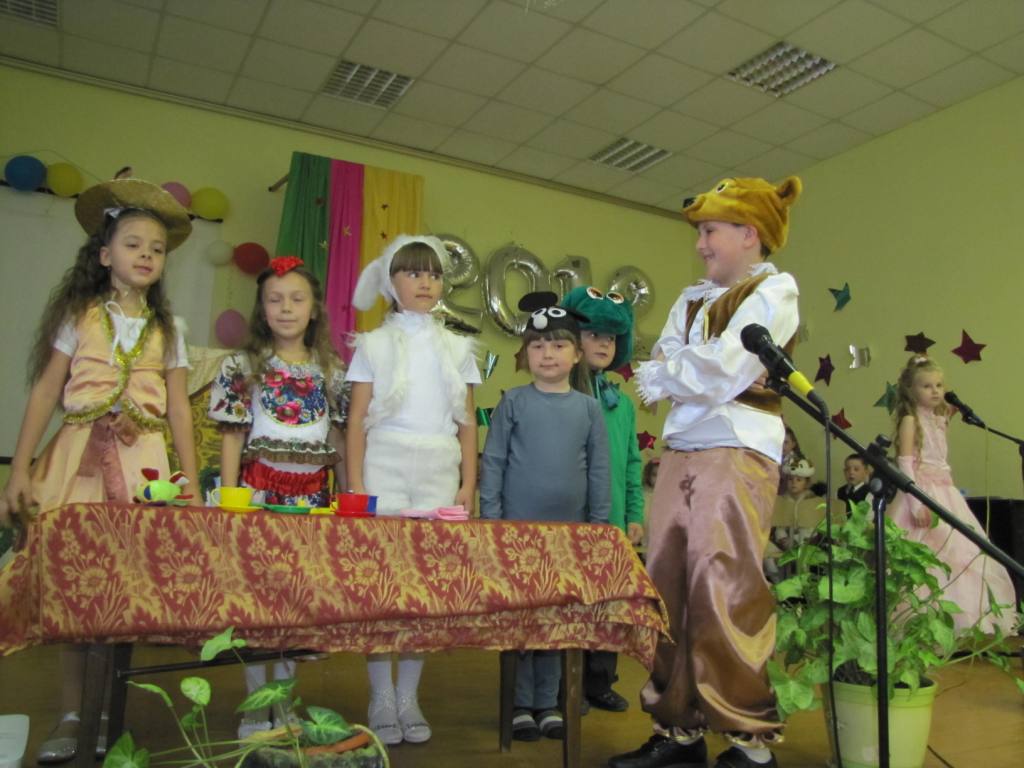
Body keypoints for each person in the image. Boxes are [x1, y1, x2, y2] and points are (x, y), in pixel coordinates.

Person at [0, 178, 199, 763]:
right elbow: (45, 392)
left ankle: (109, 707)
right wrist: (19, 470)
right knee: (76, 588)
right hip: (78, 462)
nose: (146, 255)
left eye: (157, 249)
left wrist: (189, 483)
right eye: (133, 244)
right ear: (105, 254)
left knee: (126, 587)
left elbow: (179, 409)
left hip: (145, 470)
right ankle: (71, 711)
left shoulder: (170, 330)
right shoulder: (79, 315)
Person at [610, 176, 802, 768]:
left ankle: (748, 741)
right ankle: (678, 729)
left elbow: (723, 367)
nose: (700, 245)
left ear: (750, 233)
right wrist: (688, 369)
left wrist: (679, 371)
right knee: (665, 583)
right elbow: (669, 359)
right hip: (682, 448)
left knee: (723, 585)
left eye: (710, 231)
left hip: (737, 449)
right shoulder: (690, 299)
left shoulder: (776, 291)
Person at [345, 235, 480, 745]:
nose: (425, 282)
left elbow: (466, 421)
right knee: (382, 585)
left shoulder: (458, 347)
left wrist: (468, 482)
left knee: (424, 588)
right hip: (384, 465)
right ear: (390, 282)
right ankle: (381, 694)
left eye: (434, 274)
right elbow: (357, 419)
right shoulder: (373, 345)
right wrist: (357, 484)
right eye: (413, 273)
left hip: (438, 470)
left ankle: (409, 695)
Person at [208, 255, 349, 737]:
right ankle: (255, 702)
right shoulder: (242, 366)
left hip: (313, 501)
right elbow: (232, 436)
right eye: (275, 300)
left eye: (296, 299)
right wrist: (231, 498)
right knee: (255, 599)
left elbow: (340, 439)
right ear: (262, 309)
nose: (286, 308)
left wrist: (349, 495)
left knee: (295, 600)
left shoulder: (332, 370)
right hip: (258, 494)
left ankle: (283, 699)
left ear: (314, 309)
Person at [480, 291, 611, 742]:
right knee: (521, 620)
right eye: (537, 345)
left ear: (576, 354)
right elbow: (494, 462)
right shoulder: (513, 402)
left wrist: (599, 527)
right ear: (525, 354)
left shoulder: (589, 409)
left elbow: (599, 470)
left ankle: (548, 703)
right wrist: (492, 520)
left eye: (557, 345)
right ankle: (519, 704)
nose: (547, 353)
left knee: (557, 620)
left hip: (569, 538)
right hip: (517, 535)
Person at [890, 355, 1017, 635]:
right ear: (910, 390)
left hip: (948, 494)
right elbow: (905, 464)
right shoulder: (910, 421)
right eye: (926, 386)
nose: (935, 391)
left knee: (962, 553)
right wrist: (916, 503)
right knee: (927, 558)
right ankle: (921, 625)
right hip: (922, 493)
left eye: (939, 385)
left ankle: (962, 627)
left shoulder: (940, 419)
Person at [560, 285, 642, 713]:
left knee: (608, 603)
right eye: (594, 335)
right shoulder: (561, 397)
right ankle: (563, 685)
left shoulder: (620, 404)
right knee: (568, 603)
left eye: (610, 337)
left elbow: (631, 462)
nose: (603, 344)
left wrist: (635, 514)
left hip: (612, 523)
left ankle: (599, 681)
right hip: (569, 519)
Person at [765, 458, 824, 583]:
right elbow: (779, 524)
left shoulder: (811, 500)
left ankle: (803, 585)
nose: (793, 483)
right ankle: (779, 583)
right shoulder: (783, 500)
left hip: (804, 543)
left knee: (803, 557)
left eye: (798, 480)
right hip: (785, 543)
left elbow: (811, 528)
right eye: (790, 479)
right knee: (766, 552)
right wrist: (782, 539)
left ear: (806, 483)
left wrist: (795, 540)